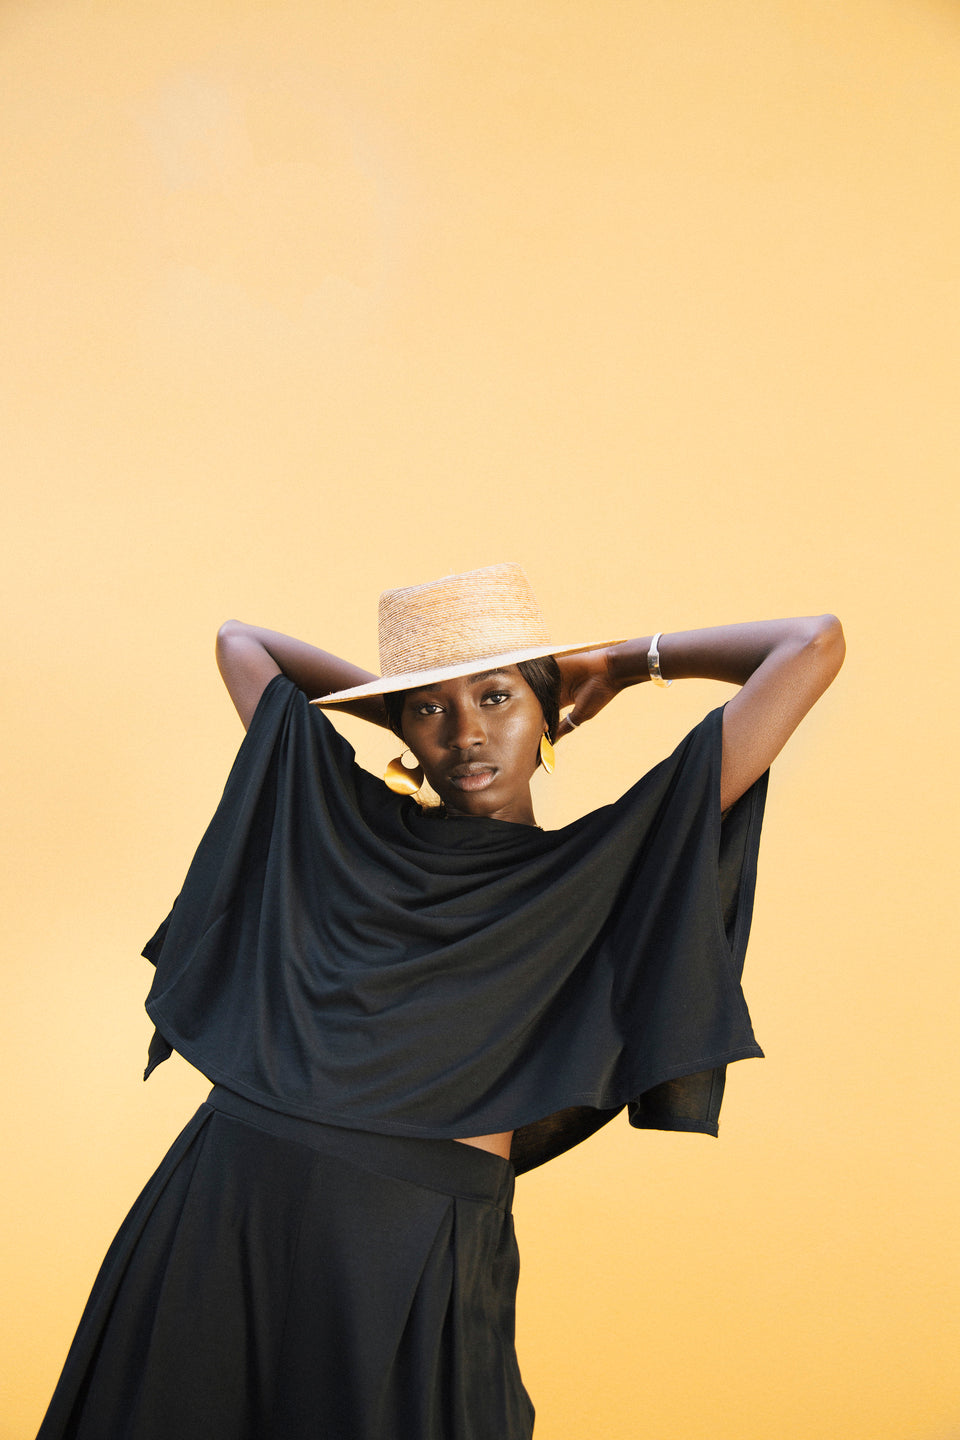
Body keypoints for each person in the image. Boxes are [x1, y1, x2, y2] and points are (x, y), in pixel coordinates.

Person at [36, 562, 844, 1440]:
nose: (465, 733)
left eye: (497, 700)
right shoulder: (341, 818)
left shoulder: (606, 864)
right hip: (230, 1197)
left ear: (547, 714)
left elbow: (812, 644)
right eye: (432, 710)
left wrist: (617, 662)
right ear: (402, 729)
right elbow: (241, 643)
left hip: (412, 1229)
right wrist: (401, 697)